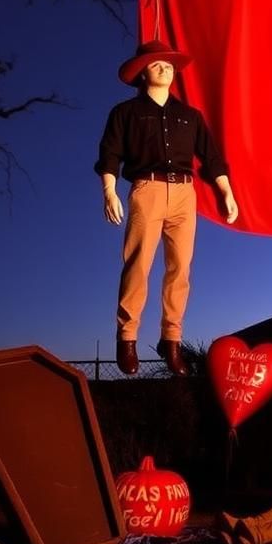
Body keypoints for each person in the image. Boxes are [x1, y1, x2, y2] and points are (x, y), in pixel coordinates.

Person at [95, 39, 238, 376]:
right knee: (138, 263)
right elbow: (110, 152)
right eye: (156, 63)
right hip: (147, 188)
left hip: (185, 193)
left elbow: (212, 157)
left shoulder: (190, 116)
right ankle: (127, 337)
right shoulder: (125, 113)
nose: (164, 67)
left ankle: (171, 341)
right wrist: (109, 190)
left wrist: (226, 192)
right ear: (142, 72)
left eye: (169, 63)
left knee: (180, 269)